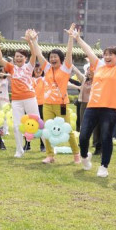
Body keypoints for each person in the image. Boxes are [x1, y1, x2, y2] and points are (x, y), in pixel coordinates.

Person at [72, 24, 116, 177]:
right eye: (105, 54)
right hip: (92, 107)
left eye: (111, 54)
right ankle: (84, 156)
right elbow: (88, 50)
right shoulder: (98, 66)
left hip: (110, 109)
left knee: (105, 137)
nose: (107, 56)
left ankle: (104, 166)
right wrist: (78, 39)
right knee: (83, 136)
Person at [32, 24, 81, 164]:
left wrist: (71, 38)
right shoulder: (47, 68)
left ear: (60, 58)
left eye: (55, 57)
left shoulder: (66, 68)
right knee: (47, 129)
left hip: (61, 105)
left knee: (68, 130)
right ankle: (50, 155)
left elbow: (69, 54)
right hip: (47, 104)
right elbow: (39, 55)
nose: (52, 59)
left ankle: (76, 154)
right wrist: (35, 40)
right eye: (51, 57)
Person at [0, 30, 41, 158]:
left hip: (30, 98)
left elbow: (34, 54)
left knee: (38, 123)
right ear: (14, 58)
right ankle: (19, 150)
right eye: (17, 56)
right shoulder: (11, 67)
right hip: (16, 100)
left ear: (25, 59)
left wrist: (30, 42)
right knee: (16, 126)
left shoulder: (29, 66)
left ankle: (47, 147)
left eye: (21, 56)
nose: (18, 58)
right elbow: (0, 58)